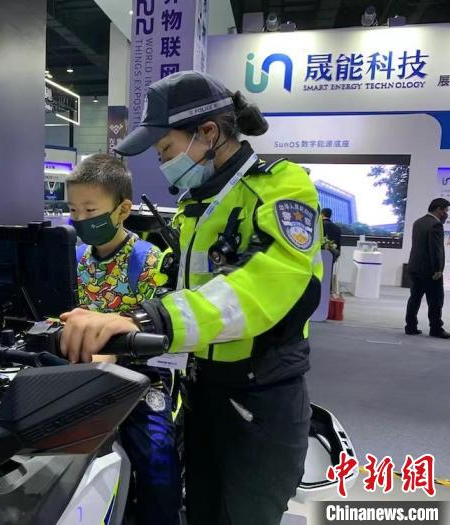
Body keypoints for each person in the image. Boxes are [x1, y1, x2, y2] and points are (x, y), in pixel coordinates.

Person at [59, 71, 322, 524]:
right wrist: (111, 321)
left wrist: (145, 321)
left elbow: (261, 285)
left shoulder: (280, 187)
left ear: (209, 133)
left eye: (165, 149)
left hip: (261, 399)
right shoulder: (195, 206)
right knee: (198, 511)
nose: (162, 162)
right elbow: (177, 287)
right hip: (203, 389)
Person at [66, 154, 182, 525]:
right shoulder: (73, 258)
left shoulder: (148, 261)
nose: (81, 219)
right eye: (74, 210)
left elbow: (161, 329)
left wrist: (116, 354)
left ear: (122, 210)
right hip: (78, 372)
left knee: (156, 458)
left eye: (90, 210)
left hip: (141, 377)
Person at [405, 198, 450, 338]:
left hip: (415, 267)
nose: (446, 214)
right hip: (430, 270)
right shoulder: (436, 225)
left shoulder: (418, 222)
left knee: (415, 298)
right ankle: (436, 329)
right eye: (445, 210)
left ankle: (410, 327)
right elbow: (435, 249)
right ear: (438, 209)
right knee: (436, 301)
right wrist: (438, 269)